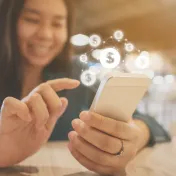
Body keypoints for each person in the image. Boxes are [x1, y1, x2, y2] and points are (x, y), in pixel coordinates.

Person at [0, 0, 171, 175]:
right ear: (8, 20)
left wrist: (136, 136)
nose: (46, 34)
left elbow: (153, 125)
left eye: (58, 23)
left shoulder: (76, 75)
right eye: (32, 20)